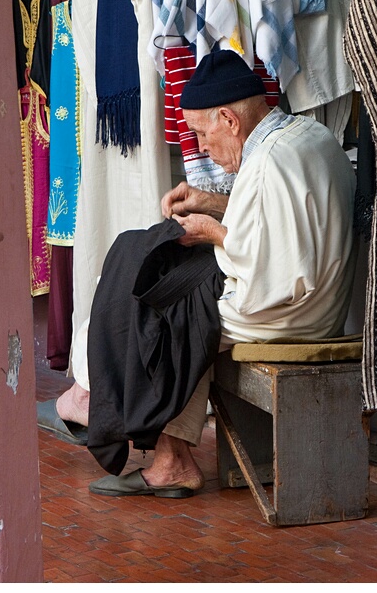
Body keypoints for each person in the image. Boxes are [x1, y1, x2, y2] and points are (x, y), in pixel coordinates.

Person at [38, 49, 358, 497]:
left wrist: (210, 231)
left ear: (229, 119)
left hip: (286, 312)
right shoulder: (301, 136)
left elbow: (273, 262)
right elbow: (276, 223)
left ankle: (110, 415)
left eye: (201, 133)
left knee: (160, 307)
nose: (202, 147)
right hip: (315, 300)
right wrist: (210, 204)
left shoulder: (268, 163)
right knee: (161, 274)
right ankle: (136, 432)